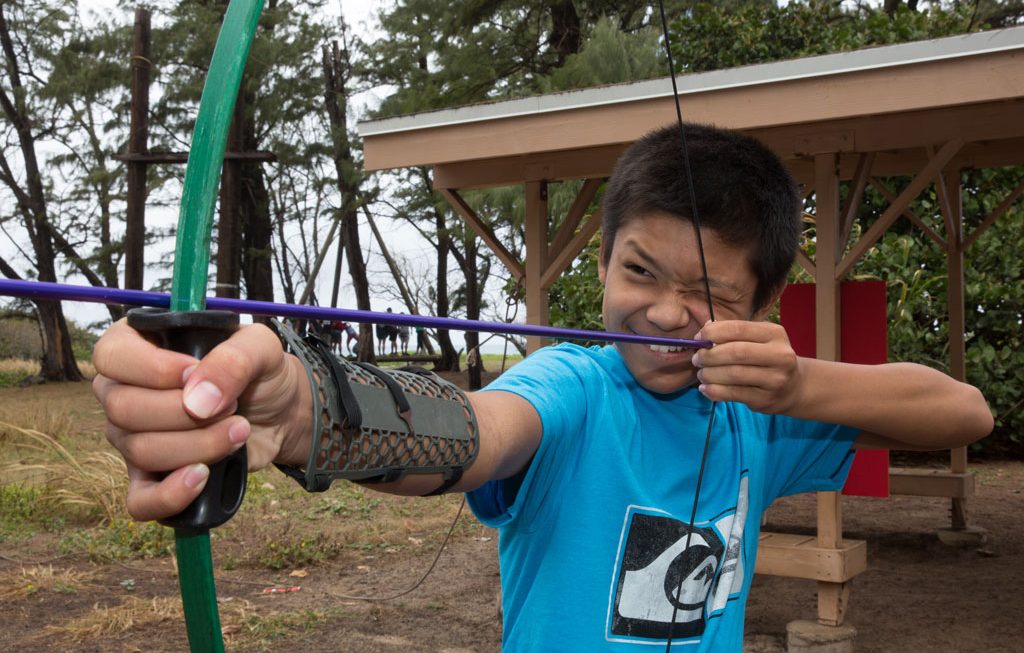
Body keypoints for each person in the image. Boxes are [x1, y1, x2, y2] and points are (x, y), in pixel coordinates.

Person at [93, 123, 992, 652]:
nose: (670, 314)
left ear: (760, 305)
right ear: (600, 264)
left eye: (711, 294)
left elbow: (964, 411)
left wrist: (797, 384)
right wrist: (306, 408)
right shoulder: (573, 383)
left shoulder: (762, 413)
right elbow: (474, 428)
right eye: (641, 272)